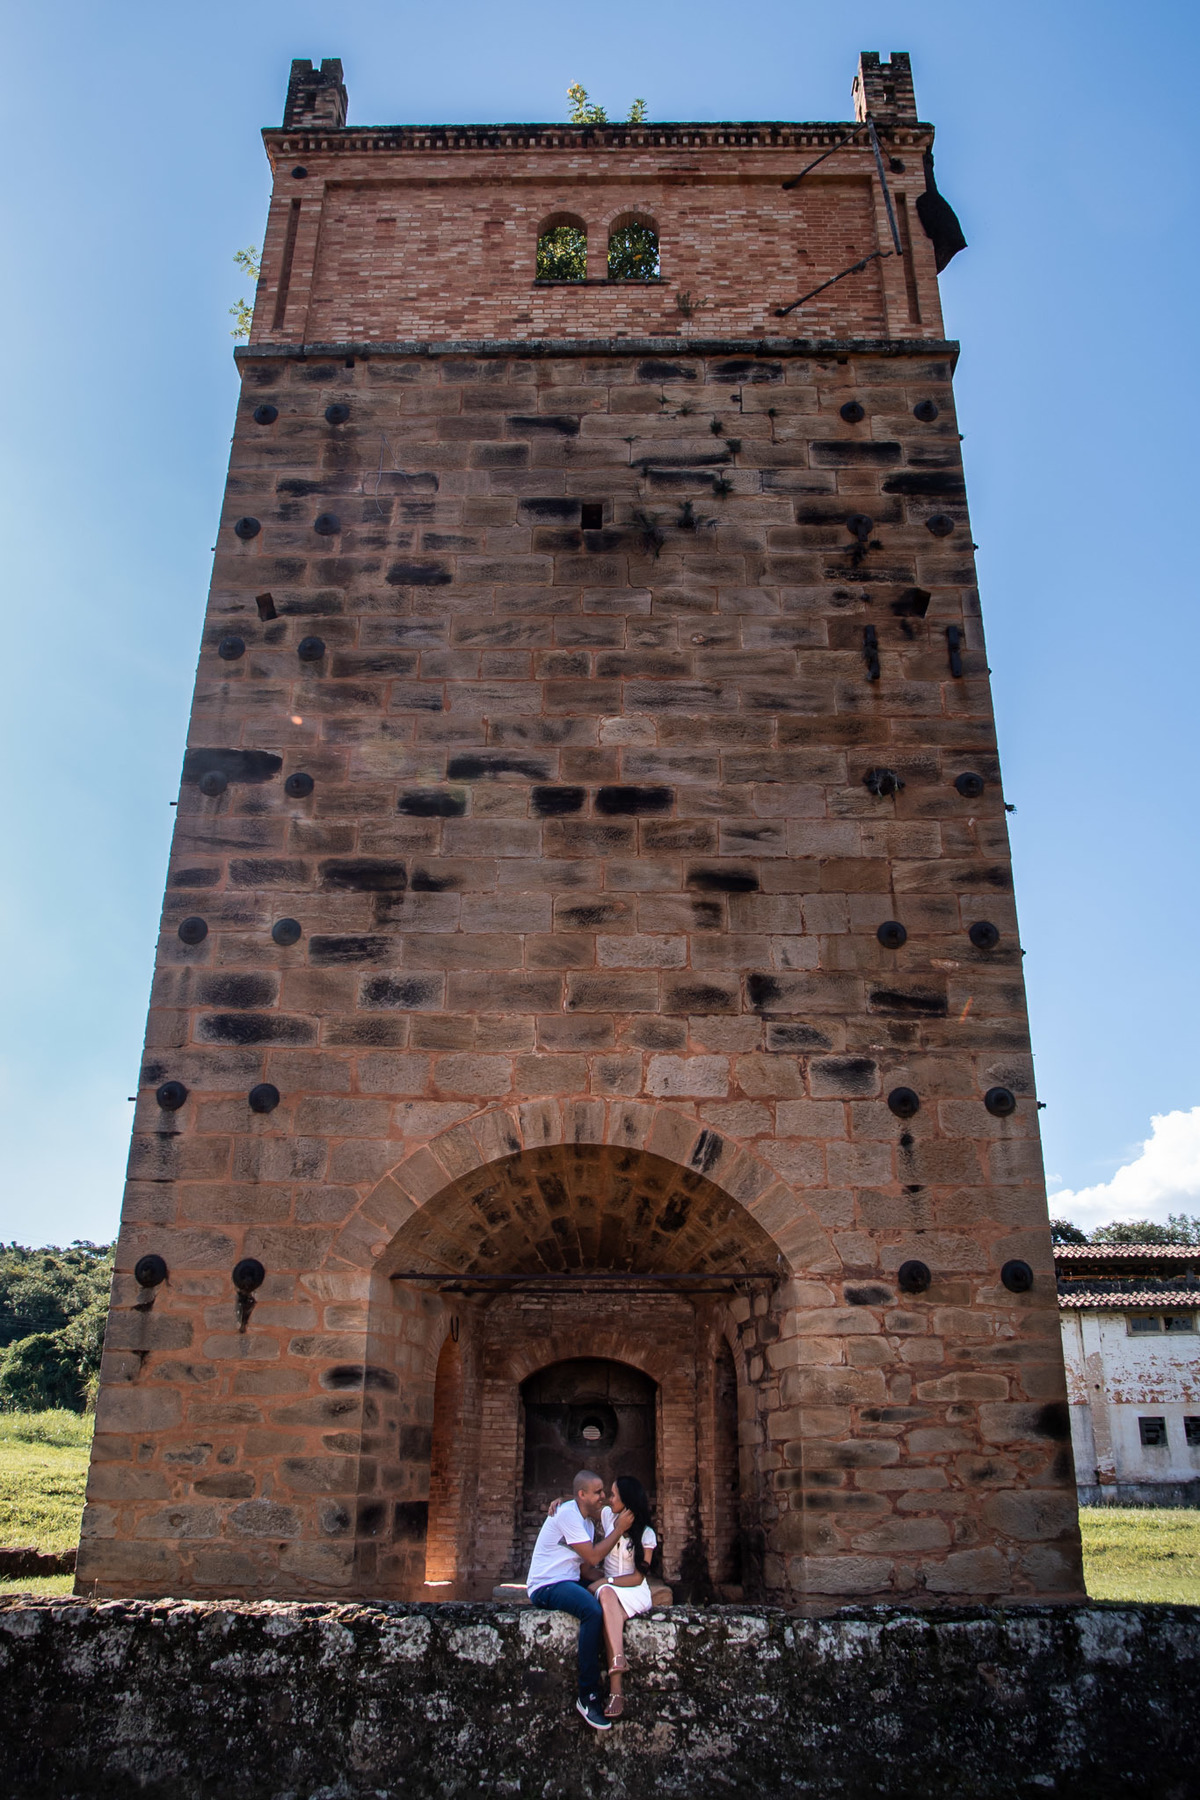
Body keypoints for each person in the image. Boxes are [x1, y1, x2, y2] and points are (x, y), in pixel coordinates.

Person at [525, 1469, 634, 1732]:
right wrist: (619, 1530)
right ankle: (588, 1696)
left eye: (604, 1492)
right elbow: (594, 1557)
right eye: (597, 1492)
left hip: (569, 1580)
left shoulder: (584, 1521)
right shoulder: (568, 1514)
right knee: (591, 1612)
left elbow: (586, 1569)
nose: (603, 1497)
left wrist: (612, 1581)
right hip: (547, 1584)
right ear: (582, 1494)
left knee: (607, 1593)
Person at [586, 1475, 658, 1719]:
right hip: (611, 1593)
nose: (608, 1498)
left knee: (606, 1597)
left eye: (614, 1495)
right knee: (608, 1608)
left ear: (627, 1500)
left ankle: (617, 1685)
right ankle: (618, 1670)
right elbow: (583, 1505)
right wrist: (559, 1502)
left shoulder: (646, 1534)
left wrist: (606, 1580)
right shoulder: (609, 1517)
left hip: (634, 1591)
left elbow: (638, 1578)